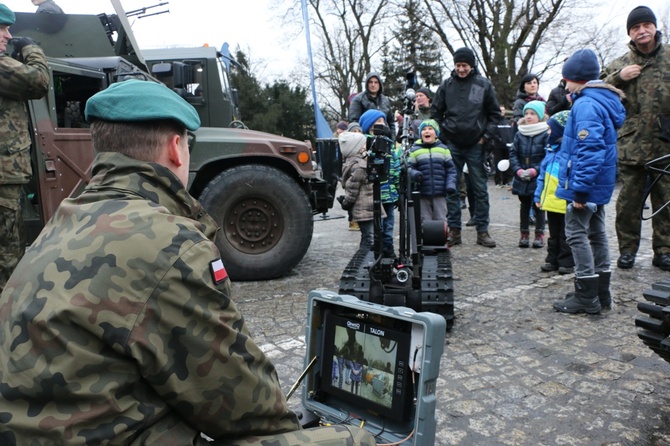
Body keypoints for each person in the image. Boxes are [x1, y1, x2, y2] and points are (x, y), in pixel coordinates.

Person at [0, 80, 374, 445]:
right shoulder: (166, 243)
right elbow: (248, 408)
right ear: (177, 149)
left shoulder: (64, 219)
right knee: (354, 439)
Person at [552, 49, 626, 315]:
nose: (565, 84)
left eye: (567, 79)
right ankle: (600, 292)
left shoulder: (586, 104)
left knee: (576, 235)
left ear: (576, 77)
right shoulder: (601, 100)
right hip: (599, 184)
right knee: (596, 234)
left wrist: (580, 190)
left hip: (585, 186)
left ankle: (586, 295)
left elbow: (590, 149)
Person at [602, 6, 670, 271]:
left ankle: (664, 250)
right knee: (628, 203)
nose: (641, 31)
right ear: (630, 33)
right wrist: (619, 77)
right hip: (631, 144)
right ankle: (627, 250)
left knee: (665, 201)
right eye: (635, 28)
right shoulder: (620, 63)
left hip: (665, 143)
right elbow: (597, 89)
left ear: (654, 28)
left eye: (646, 25)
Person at [0, 4, 49, 292]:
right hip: (4, 177)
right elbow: (39, 81)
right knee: (8, 256)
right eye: (3, 29)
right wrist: (31, 49)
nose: (8, 36)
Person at [431, 47, 500, 248]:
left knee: (480, 189)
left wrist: (485, 137)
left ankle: (482, 230)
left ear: (471, 65)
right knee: (451, 189)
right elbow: (436, 113)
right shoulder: (446, 86)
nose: (461, 69)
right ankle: (454, 230)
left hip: (475, 144)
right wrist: (444, 136)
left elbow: (495, 114)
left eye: (465, 65)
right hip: (452, 143)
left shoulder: (483, 85)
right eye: (458, 65)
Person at [534, 110, 574, 274]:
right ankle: (552, 258)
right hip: (550, 201)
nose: (548, 132)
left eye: (550, 129)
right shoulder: (550, 151)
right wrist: (538, 195)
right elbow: (542, 177)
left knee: (566, 233)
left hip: (564, 201)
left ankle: (566, 260)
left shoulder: (569, 152)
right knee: (553, 233)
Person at [359, 109, 399, 257]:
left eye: (382, 122)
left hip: (389, 194)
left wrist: (396, 190)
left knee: (388, 227)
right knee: (376, 228)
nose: (380, 125)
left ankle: (388, 252)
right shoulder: (363, 144)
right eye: (376, 123)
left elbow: (394, 168)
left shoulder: (389, 144)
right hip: (373, 195)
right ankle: (376, 254)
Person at [509, 100, 549, 249]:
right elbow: (513, 154)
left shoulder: (545, 133)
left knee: (538, 206)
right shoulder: (520, 133)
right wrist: (518, 170)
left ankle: (539, 234)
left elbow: (547, 156)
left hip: (537, 176)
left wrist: (535, 170)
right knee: (524, 205)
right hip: (521, 176)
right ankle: (524, 234)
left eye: (532, 113)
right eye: (526, 113)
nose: (528, 116)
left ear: (539, 116)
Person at [338, 130, 384, 249]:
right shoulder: (360, 166)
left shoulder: (356, 163)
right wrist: (346, 203)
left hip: (366, 209)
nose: (366, 147)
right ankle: (366, 260)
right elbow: (352, 189)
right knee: (370, 238)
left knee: (369, 237)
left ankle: (368, 259)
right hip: (366, 209)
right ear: (355, 149)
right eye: (363, 145)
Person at [408, 119, 457, 223]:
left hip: (440, 193)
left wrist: (450, 185)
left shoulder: (443, 149)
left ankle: (441, 238)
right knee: (425, 221)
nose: (427, 131)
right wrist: (415, 174)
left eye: (430, 129)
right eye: (424, 129)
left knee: (441, 220)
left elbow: (451, 170)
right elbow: (409, 168)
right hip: (423, 193)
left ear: (436, 134)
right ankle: (426, 239)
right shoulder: (415, 150)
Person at [487, 105, 514, 187]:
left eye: (503, 110)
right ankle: (498, 181)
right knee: (497, 163)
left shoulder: (507, 121)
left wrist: (510, 142)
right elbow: (494, 134)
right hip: (498, 146)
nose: (502, 112)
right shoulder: (495, 121)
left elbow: (510, 133)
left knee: (506, 163)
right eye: (500, 110)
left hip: (507, 146)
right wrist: (500, 140)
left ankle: (506, 181)